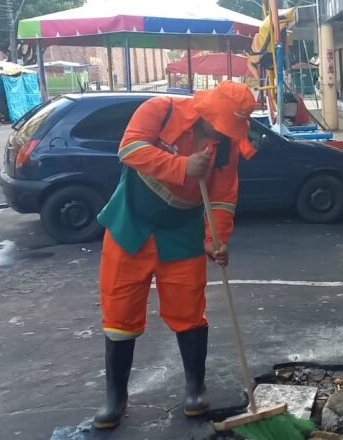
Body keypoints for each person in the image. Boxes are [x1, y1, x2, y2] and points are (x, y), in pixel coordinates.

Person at [92, 81, 257, 429]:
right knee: (119, 311)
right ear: (207, 110)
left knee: (189, 310)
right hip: (130, 226)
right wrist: (181, 165)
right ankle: (116, 397)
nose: (224, 132)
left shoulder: (225, 147)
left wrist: (215, 240)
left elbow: (223, 197)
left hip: (182, 234)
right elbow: (129, 148)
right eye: (222, 124)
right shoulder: (160, 110)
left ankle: (195, 388)